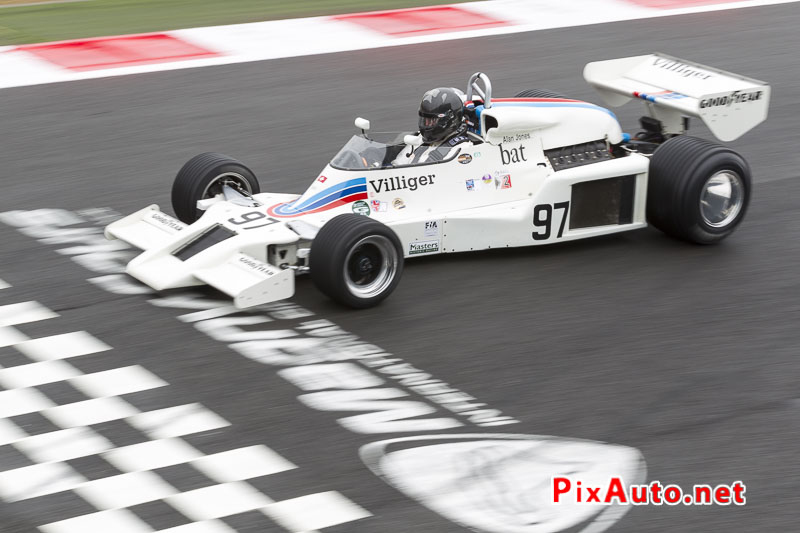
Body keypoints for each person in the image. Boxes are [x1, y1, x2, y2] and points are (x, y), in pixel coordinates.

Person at [393, 87, 470, 165]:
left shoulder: (463, 149)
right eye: (424, 120)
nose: (426, 125)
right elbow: (396, 165)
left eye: (431, 121)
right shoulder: (419, 139)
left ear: (448, 120)